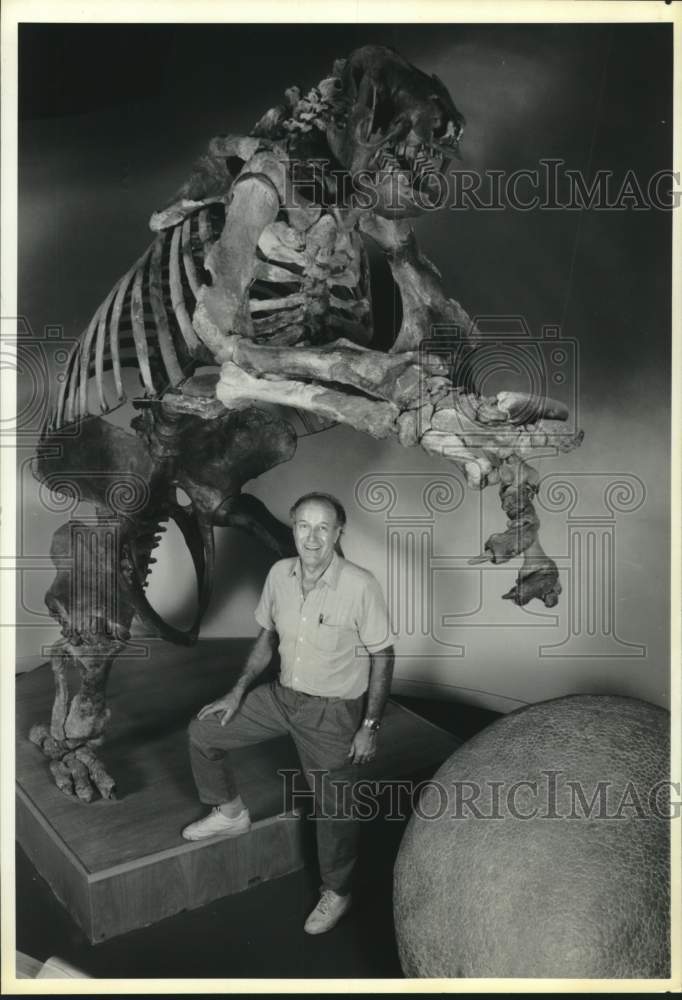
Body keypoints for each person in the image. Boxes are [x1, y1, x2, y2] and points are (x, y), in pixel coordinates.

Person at [182, 491, 395, 935]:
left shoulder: (361, 585)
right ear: (293, 528)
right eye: (303, 526)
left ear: (339, 533)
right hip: (281, 698)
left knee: (334, 811)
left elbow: (383, 655)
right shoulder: (280, 573)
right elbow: (266, 640)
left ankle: (337, 891)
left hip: (332, 714)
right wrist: (237, 692)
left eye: (323, 528)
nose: (312, 537)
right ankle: (230, 813)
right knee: (203, 732)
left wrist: (369, 726)